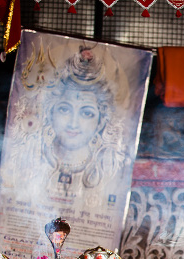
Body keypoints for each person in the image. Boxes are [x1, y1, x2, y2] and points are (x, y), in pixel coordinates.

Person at [41, 46, 125, 195]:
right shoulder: (34, 159)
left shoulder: (107, 169)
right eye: (64, 109)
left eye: (86, 113)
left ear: (100, 122)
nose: (73, 124)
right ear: (51, 112)